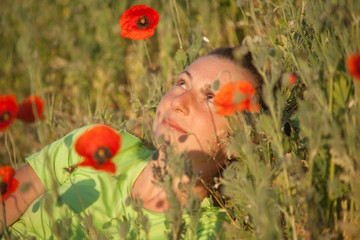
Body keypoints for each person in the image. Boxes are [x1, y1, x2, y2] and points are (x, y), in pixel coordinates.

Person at [1, 46, 262, 239]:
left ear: (240, 143)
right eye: (182, 83)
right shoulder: (100, 144)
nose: (178, 102)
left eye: (211, 98)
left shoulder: (205, 232)